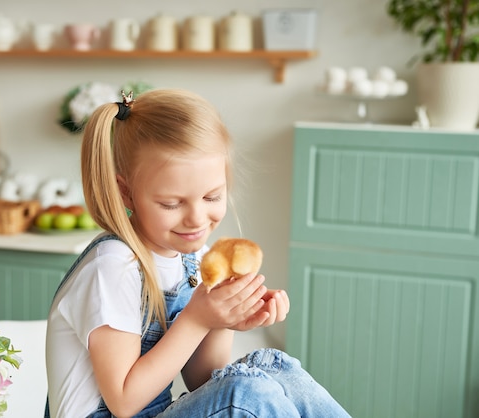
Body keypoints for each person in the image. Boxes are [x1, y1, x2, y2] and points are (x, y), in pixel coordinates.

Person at [45, 88, 350, 418]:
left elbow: (204, 380)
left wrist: (223, 316)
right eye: (172, 204)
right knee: (244, 393)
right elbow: (123, 401)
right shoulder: (113, 268)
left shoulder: (194, 258)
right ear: (126, 193)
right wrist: (197, 318)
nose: (196, 218)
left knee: (276, 370)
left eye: (212, 197)